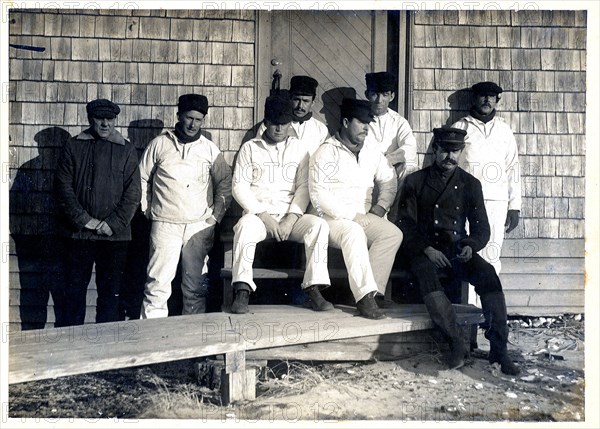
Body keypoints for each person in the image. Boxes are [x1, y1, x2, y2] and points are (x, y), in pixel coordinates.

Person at [397, 127, 520, 375]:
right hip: (424, 250)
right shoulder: (415, 181)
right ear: (435, 150)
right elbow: (405, 224)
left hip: (456, 249)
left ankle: (499, 349)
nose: (449, 157)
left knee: (488, 275)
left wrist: (470, 245)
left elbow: (481, 227)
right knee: (426, 274)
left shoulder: (470, 184)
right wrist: (427, 249)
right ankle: (456, 342)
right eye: (444, 150)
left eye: (455, 151)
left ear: (461, 152)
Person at [230, 95, 333, 314]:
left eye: (284, 123)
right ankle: (242, 288)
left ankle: (313, 286)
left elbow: (303, 188)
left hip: (289, 217)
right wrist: (263, 215)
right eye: (274, 122)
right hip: (260, 216)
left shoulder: (300, 148)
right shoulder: (250, 148)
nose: (279, 128)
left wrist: (291, 218)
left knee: (318, 226)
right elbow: (239, 186)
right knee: (244, 227)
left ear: (290, 124)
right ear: (266, 122)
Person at [139, 94, 232, 318]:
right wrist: (147, 209)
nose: (193, 124)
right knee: (157, 285)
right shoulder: (159, 144)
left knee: (195, 286)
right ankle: (151, 344)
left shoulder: (209, 149)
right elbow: (142, 179)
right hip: (165, 224)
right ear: (179, 115)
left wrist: (215, 217)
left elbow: (225, 185)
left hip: (198, 226)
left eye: (199, 119)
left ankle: (192, 345)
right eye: (189, 118)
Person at [309, 98, 403, 320]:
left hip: (363, 216)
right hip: (330, 219)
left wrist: (380, 207)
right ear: (344, 122)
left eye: (368, 123)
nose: (366, 129)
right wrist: (352, 216)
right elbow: (318, 195)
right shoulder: (325, 152)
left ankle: (374, 292)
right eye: (360, 123)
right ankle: (363, 299)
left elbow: (389, 180)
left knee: (392, 233)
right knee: (353, 232)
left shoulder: (371, 151)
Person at [54, 99, 141, 326]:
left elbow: (133, 193)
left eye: (109, 119)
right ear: (90, 119)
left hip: (115, 237)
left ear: (115, 120)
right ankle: (71, 350)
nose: (104, 124)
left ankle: (105, 353)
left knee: (110, 296)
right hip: (79, 234)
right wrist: (86, 221)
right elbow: (63, 188)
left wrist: (112, 224)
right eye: (99, 118)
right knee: (73, 294)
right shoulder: (73, 146)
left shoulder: (127, 149)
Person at [451, 81, 521, 275]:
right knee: (468, 252)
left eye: (491, 96)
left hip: (496, 202)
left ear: (497, 100)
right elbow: (450, 166)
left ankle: (490, 304)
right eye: (483, 95)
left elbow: (512, 167)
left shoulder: (504, 130)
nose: (487, 100)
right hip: (466, 201)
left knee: (492, 253)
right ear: (475, 98)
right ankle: (470, 305)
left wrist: (514, 206)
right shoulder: (461, 126)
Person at [364, 71, 418, 223]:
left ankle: (396, 217)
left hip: (390, 171)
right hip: (366, 174)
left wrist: (388, 160)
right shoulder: (360, 119)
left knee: (410, 167)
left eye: (385, 94)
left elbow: (410, 147)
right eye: (375, 94)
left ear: (392, 96)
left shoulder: (398, 121)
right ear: (367, 94)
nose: (379, 100)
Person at [256, 75, 329, 155]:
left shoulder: (320, 129)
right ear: (290, 99)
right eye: (297, 100)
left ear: (312, 103)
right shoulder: (271, 124)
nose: (300, 106)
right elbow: (259, 152)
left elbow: (326, 156)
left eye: (306, 101)